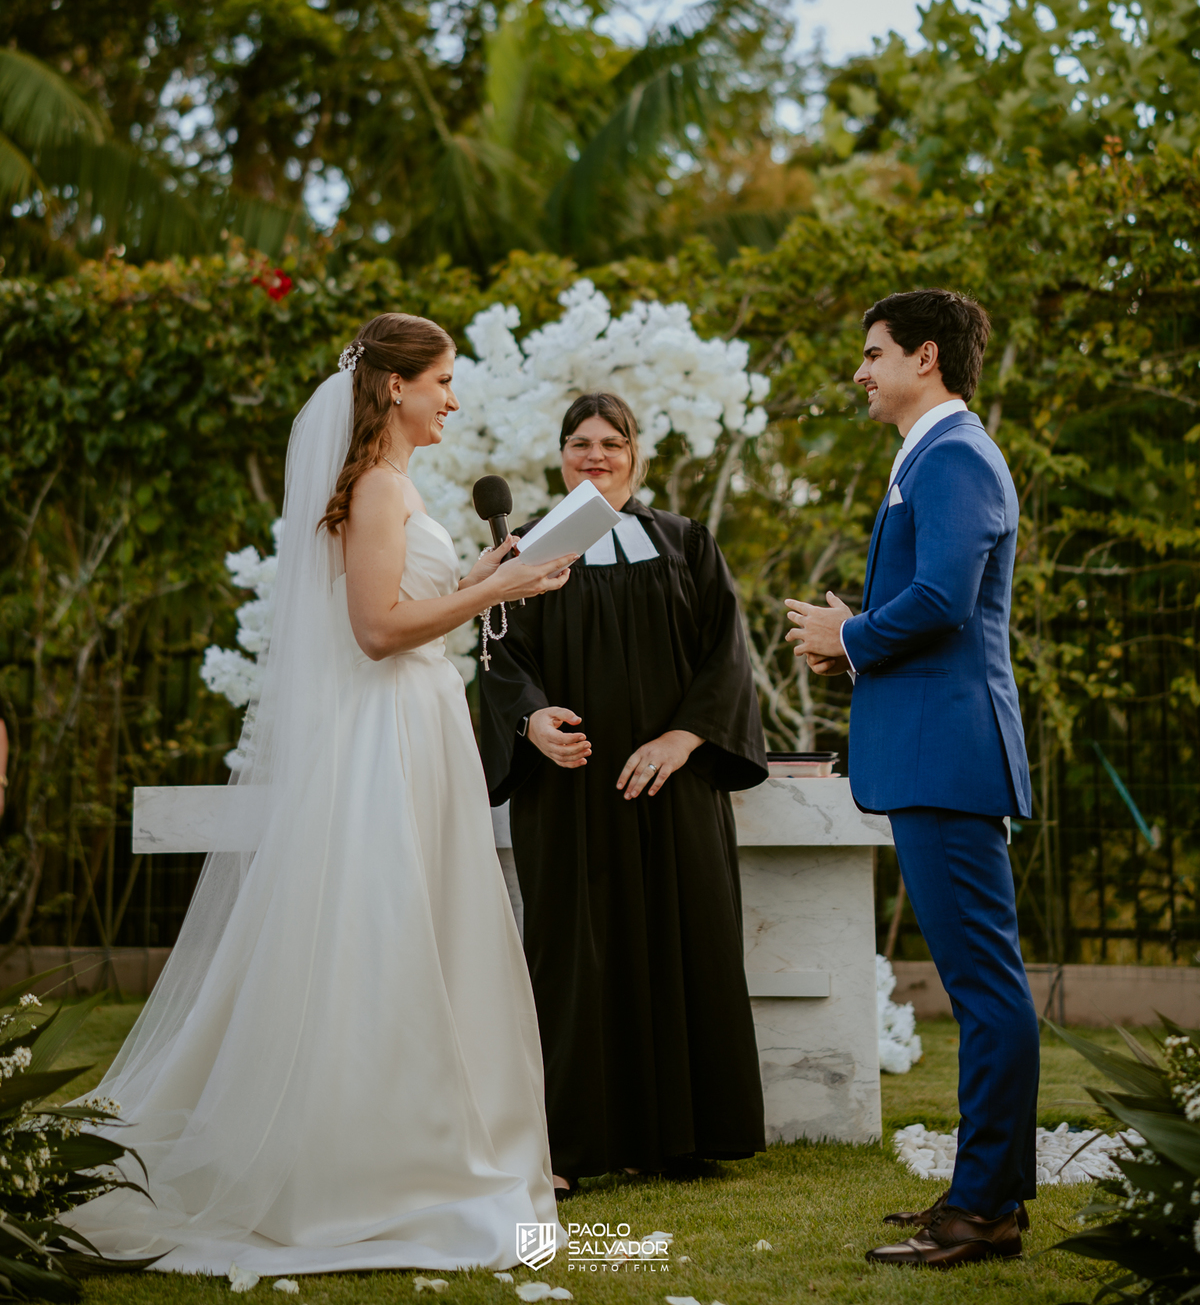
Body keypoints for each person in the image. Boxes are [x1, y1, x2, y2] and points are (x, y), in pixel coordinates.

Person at [65, 313, 575, 1275]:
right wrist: (499, 594)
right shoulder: (376, 486)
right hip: (387, 735)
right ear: (396, 386)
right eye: (442, 381)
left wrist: (480, 575)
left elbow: (406, 609)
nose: (453, 399)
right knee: (383, 932)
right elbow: (376, 632)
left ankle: (440, 1136)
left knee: (428, 924)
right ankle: (373, 1157)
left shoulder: (395, 486)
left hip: (421, 724)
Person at [786, 289, 1039, 1271]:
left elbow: (944, 599)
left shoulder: (955, 454)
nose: (860, 371)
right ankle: (987, 1198)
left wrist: (849, 633)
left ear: (924, 357)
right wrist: (851, 641)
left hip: (949, 758)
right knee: (983, 985)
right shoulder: (932, 455)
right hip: (938, 753)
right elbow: (931, 606)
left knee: (985, 988)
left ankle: (983, 1211)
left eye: (872, 352)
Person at [479, 392, 768, 1198]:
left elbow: (726, 653)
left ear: (635, 454)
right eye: (580, 443)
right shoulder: (524, 552)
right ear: (559, 456)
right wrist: (533, 722)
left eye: (611, 442)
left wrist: (684, 739)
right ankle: (568, 1146)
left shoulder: (686, 542)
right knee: (574, 959)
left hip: (673, 785)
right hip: (569, 788)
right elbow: (498, 659)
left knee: (685, 944)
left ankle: (679, 1139)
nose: (595, 455)